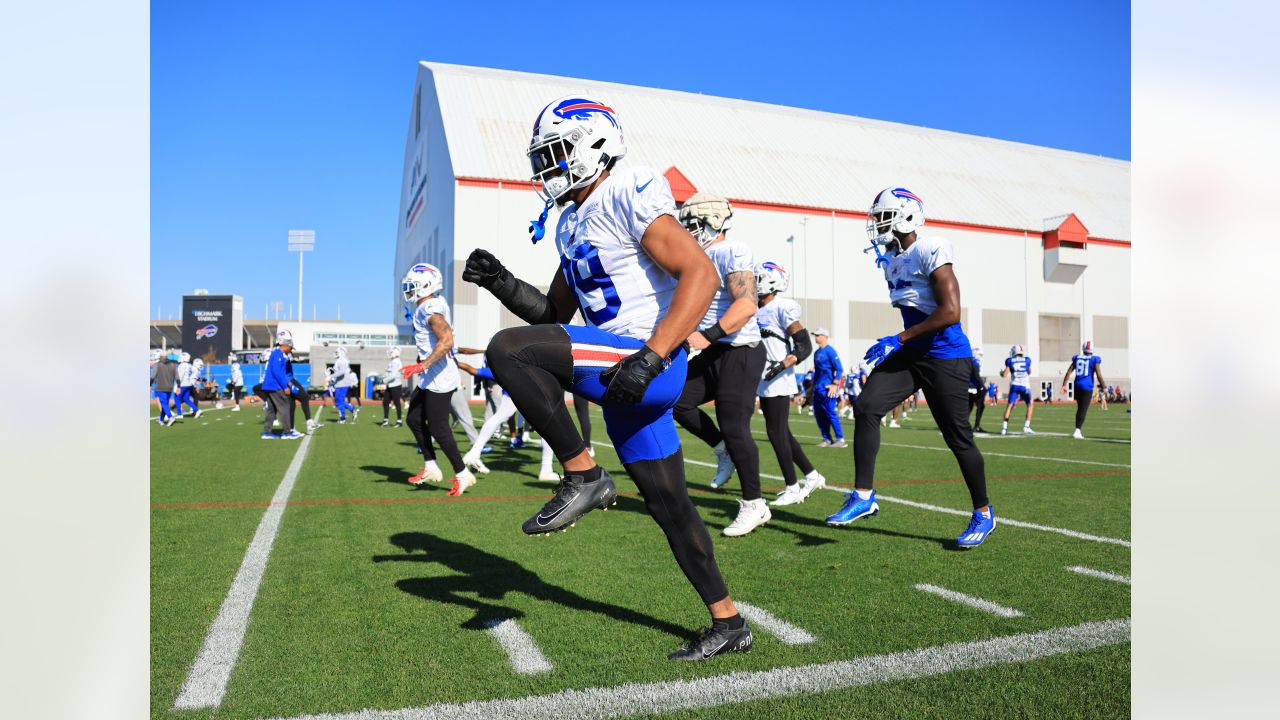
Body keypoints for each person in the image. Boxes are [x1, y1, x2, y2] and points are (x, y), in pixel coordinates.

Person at [462, 95, 750, 660]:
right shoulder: (571, 219)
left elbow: (701, 273)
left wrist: (653, 355)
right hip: (622, 379)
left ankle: (584, 474)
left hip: (645, 361)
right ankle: (729, 621)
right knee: (672, 508)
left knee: (505, 351)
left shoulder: (627, 187)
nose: (546, 167)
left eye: (557, 153)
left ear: (595, 146)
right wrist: (501, 281)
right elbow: (553, 317)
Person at [825, 186, 994, 548]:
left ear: (907, 215)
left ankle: (983, 512)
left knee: (958, 439)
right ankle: (864, 496)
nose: (878, 225)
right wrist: (904, 342)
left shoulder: (931, 249)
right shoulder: (894, 258)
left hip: (946, 356)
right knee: (867, 406)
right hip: (914, 350)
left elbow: (951, 313)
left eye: (884, 217)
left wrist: (898, 339)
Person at [671, 191, 770, 536]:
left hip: (740, 349)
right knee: (676, 401)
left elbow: (746, 306)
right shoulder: (698, 255)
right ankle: (722, 450)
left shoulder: (731, 251)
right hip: (715, 349)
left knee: (735, 425)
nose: (687, 230)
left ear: (711, 223)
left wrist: (707, 335)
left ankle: (754, 504)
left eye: (692, 224)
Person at [753, 261, 826, 507]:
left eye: (757, 278)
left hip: (777, 377)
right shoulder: (754, 308)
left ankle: (792, 486)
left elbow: (804, 345)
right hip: (763, 376)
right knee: (782, 432)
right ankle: (813, 476)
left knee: (776, 433)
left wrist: (783, 365)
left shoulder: (782, 307)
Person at [400, 262, 477, 495]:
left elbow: (446, 341)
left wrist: (423, 364)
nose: (410, 290)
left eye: (413, 285)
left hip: (440, 375)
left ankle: (463, 474)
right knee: (414, 418)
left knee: (438, 426)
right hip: (432, 374)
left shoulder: (430, 309)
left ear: (426, 285)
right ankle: (431, 466)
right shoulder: (429, 306)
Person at [457, 361, 557, 481]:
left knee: (500, 416)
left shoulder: (502, 368)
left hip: (516, 381)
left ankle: (474, 452)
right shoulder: (525, 364)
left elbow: (472, 369)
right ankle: (546, 469)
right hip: (530, 385)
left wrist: (453, 361)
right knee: (547, 426)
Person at [261, 330, 303, 440]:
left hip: (269, 385)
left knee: (272, 409)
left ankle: (267, 432)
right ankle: (287, 432)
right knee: (284, 407)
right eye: (290, 347)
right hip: (275, 386)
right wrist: (285, 386)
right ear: (285, 344)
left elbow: (281, 373)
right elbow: (277, 372)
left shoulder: (277, 353)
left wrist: (290, 384)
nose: (290, 350)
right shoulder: (278, 354)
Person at [1061, 340, 1105, 439]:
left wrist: (1064, 385)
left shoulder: (1077, 358)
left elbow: (1068, 372)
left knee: (1080, 408)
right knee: (1083, 409)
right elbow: (1098, 374)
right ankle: (1077, 430)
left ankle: (1078, 429)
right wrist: (1104, 386)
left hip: (1077, 386)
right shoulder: (1094, 359)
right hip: (1087, 387)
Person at [810, 329, 846, 447]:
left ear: (824, 336)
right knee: (819, 414)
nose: (815, 337)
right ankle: (827, 439)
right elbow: (817, 372)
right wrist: (812, 387)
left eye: (817, 335)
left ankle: (840, 439)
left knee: (831, 412)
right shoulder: (816, 353)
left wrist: (835, 385)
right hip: (818, 388)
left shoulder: (830, 351)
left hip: (828, 388)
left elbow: (839, 369)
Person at [1000, 345, 1035, 435]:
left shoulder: (1010, 360)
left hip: (1015, 385)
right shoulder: (1027, 360)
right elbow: (1030, 371)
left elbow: (1004, 374)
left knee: (1009, 406)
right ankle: (1026, 426)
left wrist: (1001, 373)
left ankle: (1004, 428)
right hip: (1025, 386)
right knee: (1030, 405)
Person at [330, 347, 358, 424]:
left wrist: (331, 376)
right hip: (339, 383)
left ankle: (342, 418)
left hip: (342, 383)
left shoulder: (343, 361)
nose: (336, 353)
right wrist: (333, 382)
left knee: (339, 402)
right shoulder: (339, 360)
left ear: (342, 353)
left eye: (337, 352)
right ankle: (352, 409)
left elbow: (341, 372)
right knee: (339, 402)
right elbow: (338, 373)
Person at [381, 346, 405, 427]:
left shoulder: (397, 362)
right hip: (389, 385)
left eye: (392, 352)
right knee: (385, 402)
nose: (390, 354)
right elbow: (388, 373)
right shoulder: (391, 361)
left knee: (396, 403)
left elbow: (393, 375)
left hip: (396, 385)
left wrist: (384, 380)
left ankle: (399, 421)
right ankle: (385, 420)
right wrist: (383, 376)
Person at [152, 351, 179, 426]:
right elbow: (176, 376)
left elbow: (152, 376)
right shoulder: (172, 365)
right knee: (165, 403)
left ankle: (170, 417)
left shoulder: (157, 365)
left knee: (163, 403)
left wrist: (150, 385)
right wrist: (179, 386)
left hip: (160, 387)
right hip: (169, 387)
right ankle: (161, 420)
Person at [968, 346, 989, 433]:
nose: (981, 357)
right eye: (980, 355)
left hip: (969, 387)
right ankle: (976, 426)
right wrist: (982, 386)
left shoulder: (969, 361)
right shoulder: (975, 362)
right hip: (975, 388)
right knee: (980, 406)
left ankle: (964, 425)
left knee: (969, 407)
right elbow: (976, 375)